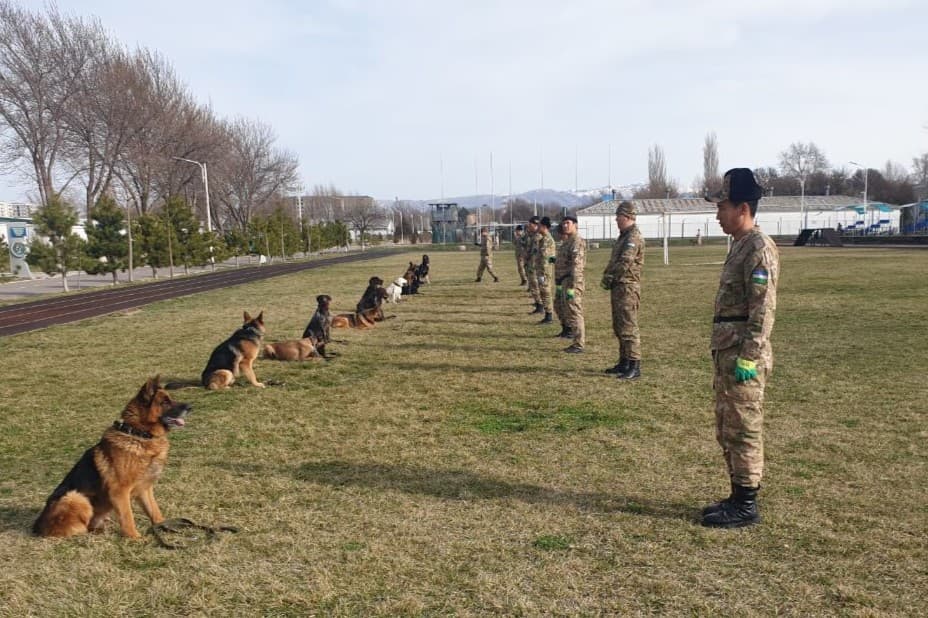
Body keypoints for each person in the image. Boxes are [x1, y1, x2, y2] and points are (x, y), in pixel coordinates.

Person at [701, 167, 779, 529]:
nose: (718, 214)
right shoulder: (741, 245)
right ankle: (736, 496)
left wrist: (749, 356)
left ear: (742, 208)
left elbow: (763, 309)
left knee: (744, 427)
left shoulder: (759, 249)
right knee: (728, 426)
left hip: (743, 357)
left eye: (723, 206)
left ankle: (746, 504)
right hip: (728, 354)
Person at [601, 201, 644, 380]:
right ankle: (624, 361)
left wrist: (610, 277)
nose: (616, 220)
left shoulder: (633, 237)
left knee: (628, 326)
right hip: (619, 286)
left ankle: (634, 364)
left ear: (627, 217)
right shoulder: (623, 236)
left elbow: (625, 262)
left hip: (627, 286)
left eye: (618, 216)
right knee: (619, 326)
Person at [554, 215, 586, 353]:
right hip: (565, 281)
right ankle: (571, 335)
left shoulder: (577, 242)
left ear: (575, 225)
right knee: (567, 310)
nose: (565, 226)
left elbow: (577, 266)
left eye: (568, 223)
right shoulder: (568, 241)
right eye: (563, 223)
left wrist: (573, 286)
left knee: (574, 311)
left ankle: (579, 344)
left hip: (572, 282)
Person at [532, 216, 556, 324]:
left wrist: (543, 273)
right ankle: (547, 313)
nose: (538, 227)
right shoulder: (542, 238)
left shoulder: (547, 240)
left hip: (545, 272)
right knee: (543, 292)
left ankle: (549, 315)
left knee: (546, 292)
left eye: (539, 226)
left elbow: (547, 258)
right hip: (541, 270)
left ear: (544, 227)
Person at [524, 216, 543, 313]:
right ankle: (538, 303)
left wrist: (531, 264)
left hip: (534, 265)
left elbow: (535, 253)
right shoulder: (532, 235)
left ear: (535, 224)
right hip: (530, 264)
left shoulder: (537, 236)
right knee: (533, 285)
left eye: (530, 224)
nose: (528, 225)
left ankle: (540, 305)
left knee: (535, 285)